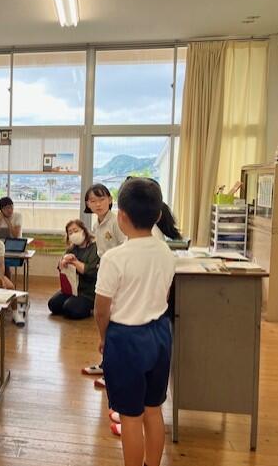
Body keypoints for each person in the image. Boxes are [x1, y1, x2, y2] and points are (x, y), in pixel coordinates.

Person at [94, 178, 176, 466]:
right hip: (160, 335)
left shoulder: (114, 258)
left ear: (121, 216)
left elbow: (101, 310)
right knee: (153, 410)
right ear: (158, 215)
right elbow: (164, 295)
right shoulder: (167, 253)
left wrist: (104, 337)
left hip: (126, 340)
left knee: (130, 417)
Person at [82, 183, 127, 377]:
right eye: (93, 201)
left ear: (110, 200)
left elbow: (126, 248)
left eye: (102, 199)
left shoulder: (116, 222)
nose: (98, 204)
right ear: (87, 204)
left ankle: (112, 366)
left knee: (113, 319)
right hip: (105, 274)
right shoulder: (97, 224)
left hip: (118, 276)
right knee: (104, 319)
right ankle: (107, 363)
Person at [47, 220, 99, 320]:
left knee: (70, 309)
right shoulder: (72, 249)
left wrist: (74, 261)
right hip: (72, 289)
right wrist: (63, 262)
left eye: (76, 231)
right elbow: (60, 267)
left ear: (84, 230)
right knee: (53, 305)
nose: (73, 234)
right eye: (70, 233)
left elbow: (89, 270)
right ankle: (71, 302)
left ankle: (88, 308)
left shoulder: (94, 248)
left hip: (88, 292)